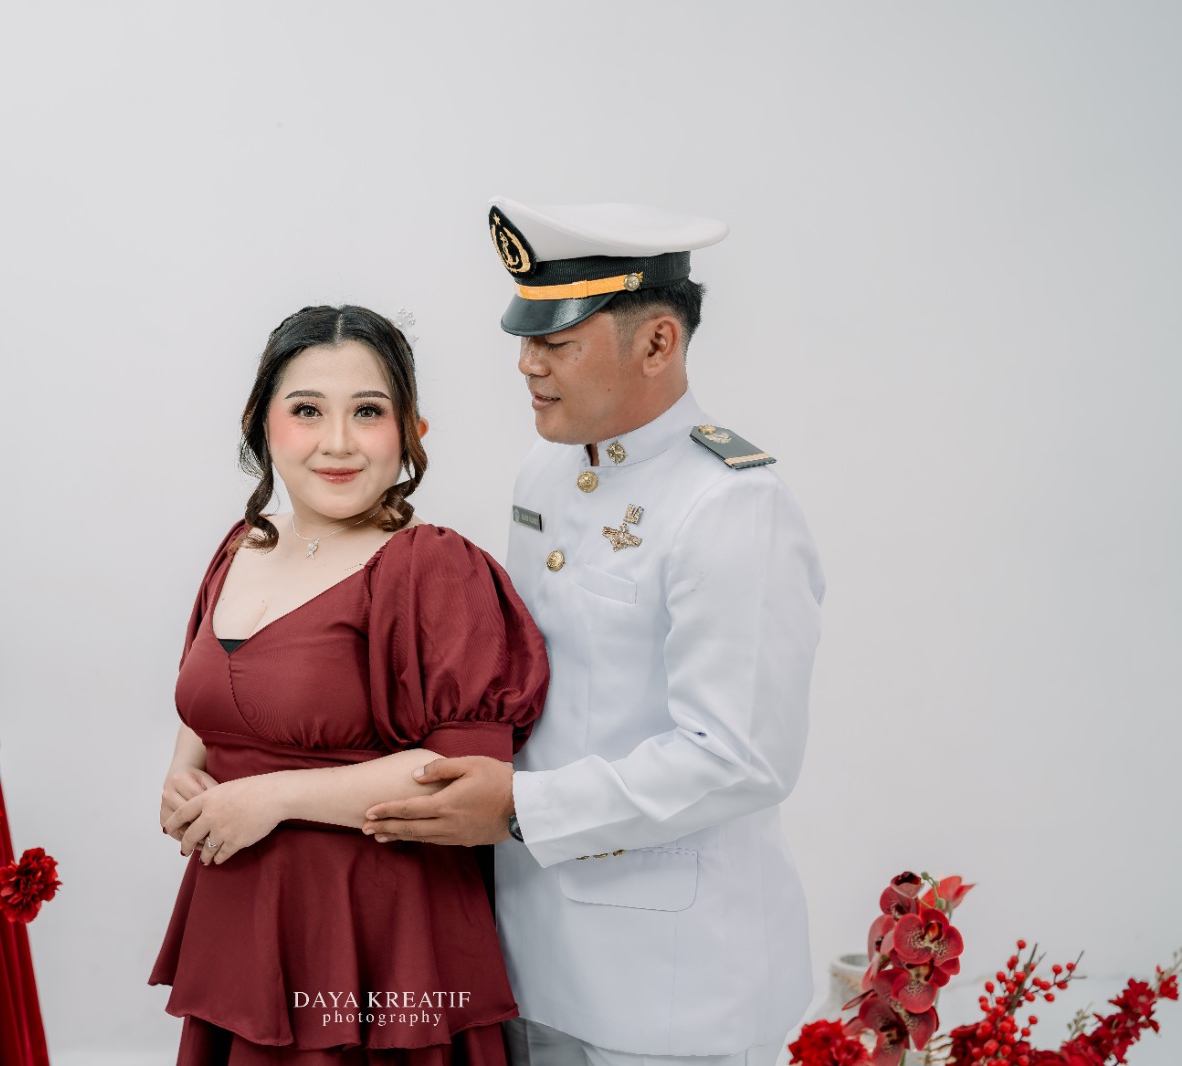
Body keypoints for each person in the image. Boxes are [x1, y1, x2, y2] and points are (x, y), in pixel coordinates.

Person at [362, 199, 826, 1066]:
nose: (527, 363)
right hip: (530, 949)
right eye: (525, 336)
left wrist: (518, 807)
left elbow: (739, 757)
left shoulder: (731, 505)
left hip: (673, 983)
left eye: (559, 341)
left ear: (658, 343)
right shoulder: (546, 468)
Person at [148, 304, 550, 1065]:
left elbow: (466, 779)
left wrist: (273, 797)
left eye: (368, 411)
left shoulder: (431, 565)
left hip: (383, 940)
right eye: (307, 410)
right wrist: (183, 773)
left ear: (410, 431)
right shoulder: (240, 549)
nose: (338, 442)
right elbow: (212, 701)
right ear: (261, 423)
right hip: (241, 926)